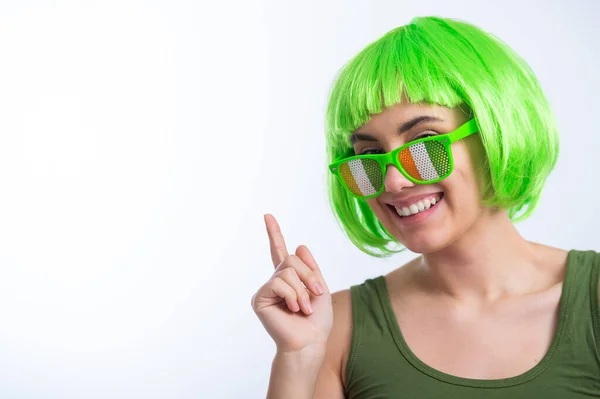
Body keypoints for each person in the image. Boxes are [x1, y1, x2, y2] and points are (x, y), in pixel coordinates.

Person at [251, 16, 600, 398]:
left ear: (496, 131)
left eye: (425, 143)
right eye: (369, 155)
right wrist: (299, 357)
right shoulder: (337, 327)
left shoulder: (592, 297)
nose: (393, 181)